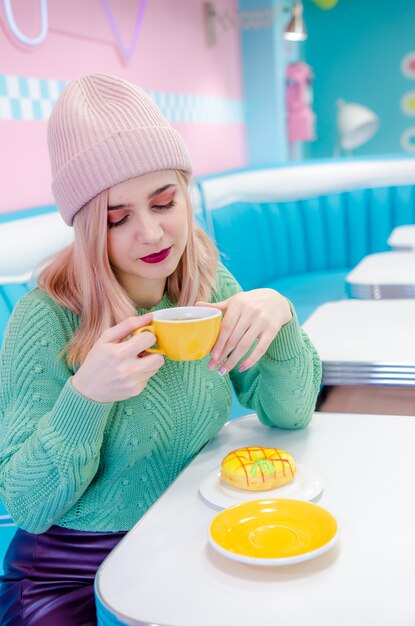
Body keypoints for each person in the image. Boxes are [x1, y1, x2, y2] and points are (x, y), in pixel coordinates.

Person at [0, 73, 322, 625]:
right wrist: (86, 397)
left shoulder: (206, 282)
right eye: (116, 218)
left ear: (186, 191)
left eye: (164, 201)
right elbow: (27, 506)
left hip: (190, 536)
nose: (151, 233)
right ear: (84, 227)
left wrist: (282, 318)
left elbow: (289, 415)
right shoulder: (45, 318)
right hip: (69, 568)